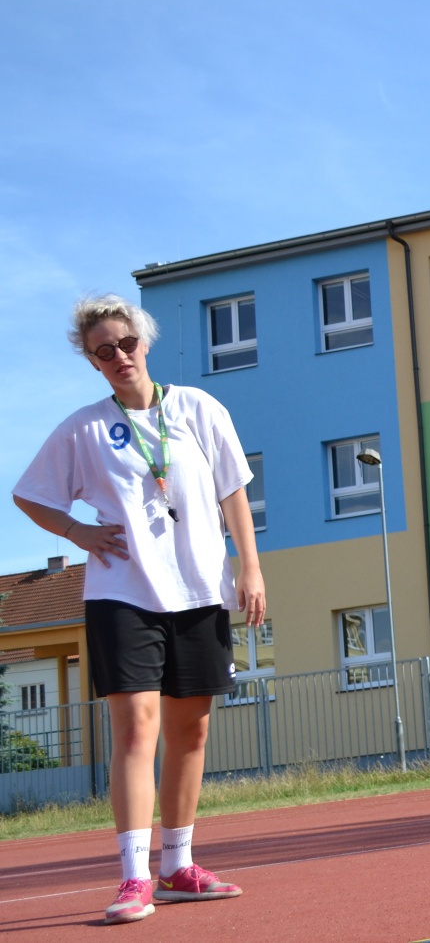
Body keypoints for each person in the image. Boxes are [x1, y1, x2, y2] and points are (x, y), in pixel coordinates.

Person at [12, 294, 266, 924]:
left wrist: (251, 568)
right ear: (92, 362)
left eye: (126, 344)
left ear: (144, 343)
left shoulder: (199, 408)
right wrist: (77, 532)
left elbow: (233, 491)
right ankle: (133, 877)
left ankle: (177, 866)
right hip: (122, 593)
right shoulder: (84, 429)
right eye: (104, 351)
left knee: (192, 730)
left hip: (200, 590)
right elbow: (30, 495)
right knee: (134, 731)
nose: (119, 356)